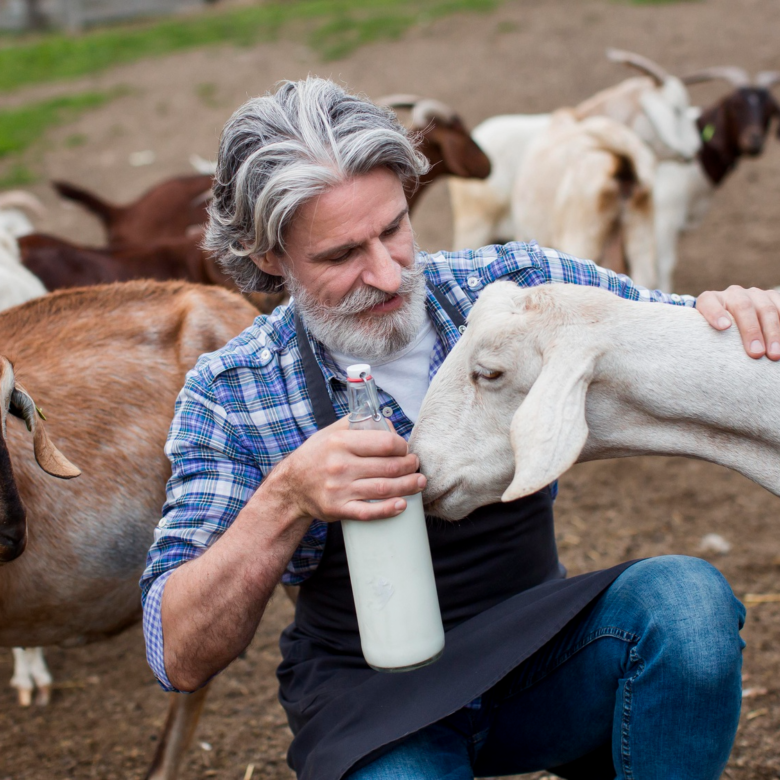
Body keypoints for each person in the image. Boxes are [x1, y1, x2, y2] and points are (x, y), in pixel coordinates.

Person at [141, 77, 778, 780]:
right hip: (371, 698)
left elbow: (670, 331)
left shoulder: (518, 289)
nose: (386, 275)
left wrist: (731, 313)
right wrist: (285, 497)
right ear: (269, 258)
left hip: (542, 649)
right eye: (341, 255)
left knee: (685, 606)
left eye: (393, 229)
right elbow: (177, 652)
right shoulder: (231, 393)